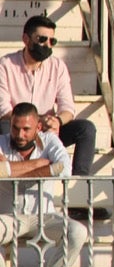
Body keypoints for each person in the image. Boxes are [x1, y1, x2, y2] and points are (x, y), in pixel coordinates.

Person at [0, 104, 88, 267]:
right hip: (9, 217)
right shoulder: (2, 141)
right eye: (15, 128)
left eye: (26, 129)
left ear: (38, 127)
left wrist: (10, 171)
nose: (19, 135)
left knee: (77, 232)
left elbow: (64, 169)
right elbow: (53, 168)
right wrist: (41, 165)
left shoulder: (49, 140)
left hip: (44, 216)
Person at [0, 15, 97, 178]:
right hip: (17, 128)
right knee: (4, 127)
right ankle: (10, 172)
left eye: (52, 41)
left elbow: (68, 108)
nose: (47, 45)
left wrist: (57, 121)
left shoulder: (58, 67)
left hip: (46, 129)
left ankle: (79, 181)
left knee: (86, 129)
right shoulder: (6, 65)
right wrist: (33, 123)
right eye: (42, 39)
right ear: (26, 39)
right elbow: (4, 110)